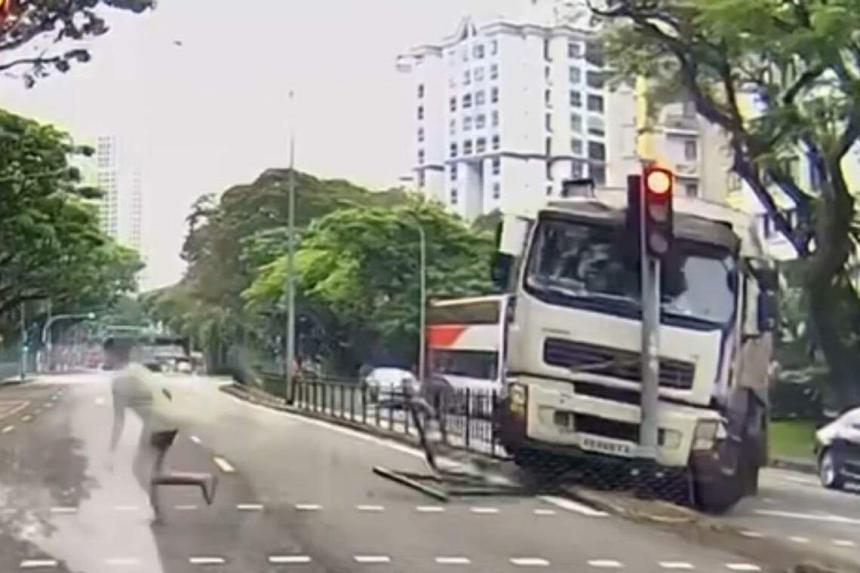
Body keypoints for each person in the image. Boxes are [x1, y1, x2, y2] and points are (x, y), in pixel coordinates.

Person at [106, 336, 216, 522]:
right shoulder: (139, 370)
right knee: (153, 471)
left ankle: (198, 483)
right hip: (167, 420)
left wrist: (111, 450)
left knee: (141, 470)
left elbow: (119, 420)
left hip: (157, 424)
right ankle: (161, 511)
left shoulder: (119, 381)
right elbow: (166, 391)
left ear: (112, 355)